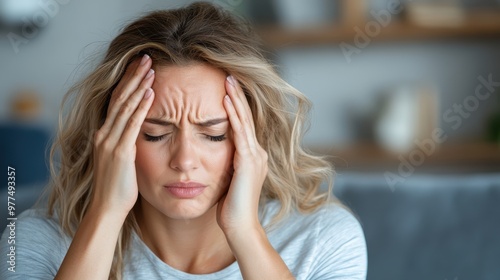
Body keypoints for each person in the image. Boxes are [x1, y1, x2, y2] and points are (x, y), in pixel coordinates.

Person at [0, 2, 367, 279]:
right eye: (155, 133)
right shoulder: (32, 241)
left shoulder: (324, 239)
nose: (185, 160)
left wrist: (245, 232)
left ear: (254, 136)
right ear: (109, 137)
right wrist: (105, 214)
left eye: (214, 134)